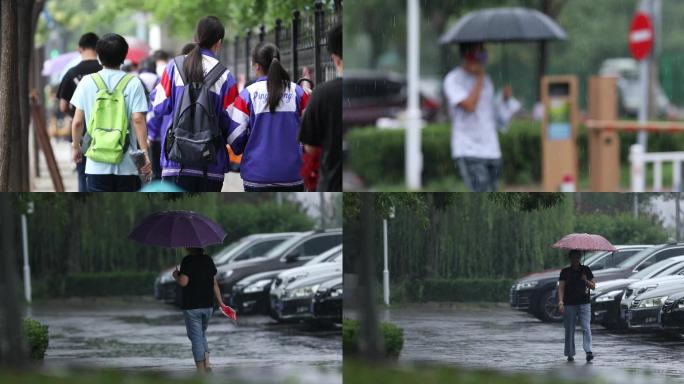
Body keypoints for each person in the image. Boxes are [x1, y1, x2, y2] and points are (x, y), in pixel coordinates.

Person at [152, 16, 238, 192]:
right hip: (210, 164)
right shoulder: (225, 76)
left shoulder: (174, 67)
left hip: (176, 162)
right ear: (218, 42)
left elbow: (160, 108)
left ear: (195, 38)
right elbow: (230, 123)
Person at [70, 33, 152, 192]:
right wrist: (144, 154)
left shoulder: (87, 82)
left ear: (98, 57)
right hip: (127, 166)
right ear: (124, 57)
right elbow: (138, 119)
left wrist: (75, 146)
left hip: (96, 165)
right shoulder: (133, 82)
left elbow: (78, 122)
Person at [229, 42, 309, 191]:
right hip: (292, 174)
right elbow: (312, 133)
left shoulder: (247, 95)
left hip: (257, 176)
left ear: (257, 66)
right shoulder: (298, 93)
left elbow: (235, 139)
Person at [443, 42, 521, 192]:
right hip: (468, 150)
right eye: (478, 53)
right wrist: (479, 79)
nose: (482, 59)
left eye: (483, 54)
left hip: (491, 150)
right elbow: (470, 106)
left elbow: (495, 117)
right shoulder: (453, 79)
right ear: (467, 55)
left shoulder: (488, 82)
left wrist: (504, 100)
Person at [299, 24, 342, 191]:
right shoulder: (380, 90)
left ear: (335, 58)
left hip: (333, 181)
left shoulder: (322, 95)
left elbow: (310, 146)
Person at [57, 32, 102, 192]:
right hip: (107, 131)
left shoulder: (71, 73)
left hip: (81, 132)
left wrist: (76, 116)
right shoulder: (104, 70)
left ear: (79, 49)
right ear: (98, 48)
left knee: (83, 174)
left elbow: (63, 106)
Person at [172, 247, 225, 373]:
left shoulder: (187, 261)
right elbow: (214, 283)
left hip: (192, 306)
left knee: (196, 338)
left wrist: (176, 275)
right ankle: (207, 364)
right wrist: (221, 302)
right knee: (201, 334)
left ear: (190, 247)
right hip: (208, 305)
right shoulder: (208, 260)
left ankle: (200, 372)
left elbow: (184, 282)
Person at [558, 250, 596, 362]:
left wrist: (585, 280)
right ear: (570, 258)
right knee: (569, 329)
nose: (575, 259)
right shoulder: (565, 271)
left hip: (584, 303)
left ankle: (588, 351)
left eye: (577, 257)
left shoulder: (586, 270)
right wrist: (561, 302)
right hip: (569, 304)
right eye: (573, 257)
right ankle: (570, 353)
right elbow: (561, 288)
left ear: (580, 258)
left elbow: (593, 286)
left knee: (586, 327)